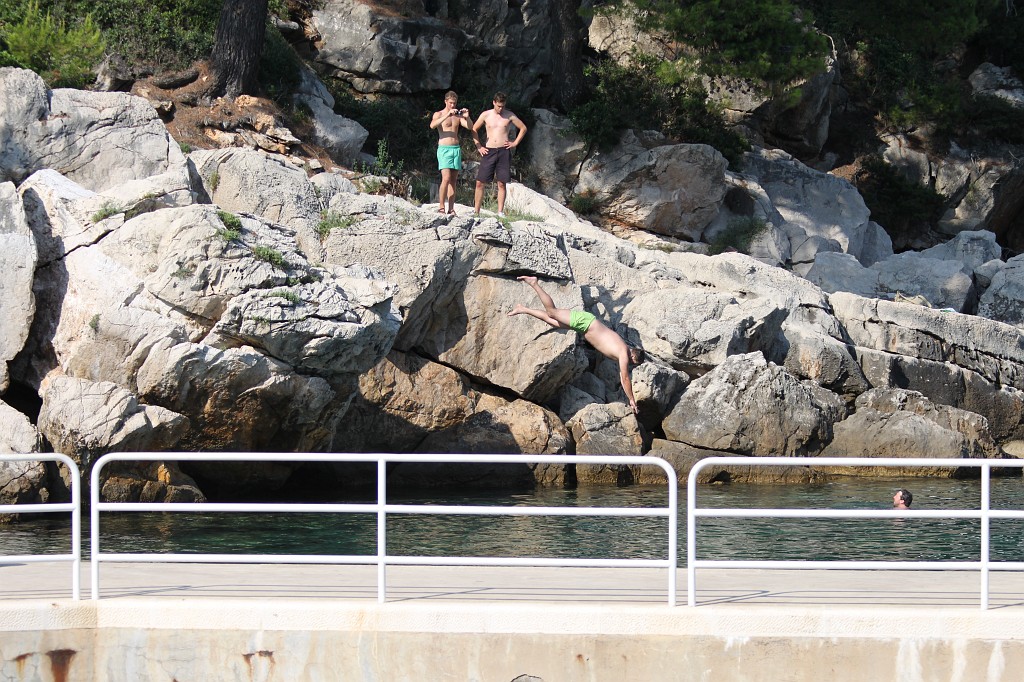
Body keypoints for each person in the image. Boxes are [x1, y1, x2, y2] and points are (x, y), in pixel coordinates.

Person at [508, 275, 643, 414]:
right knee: (552, 312)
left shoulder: (622, 348)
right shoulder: (623, 353)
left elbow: (622, 376)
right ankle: (534, 283)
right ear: (633, 357)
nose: (631, 365)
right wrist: (632, 399)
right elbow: (625, 378)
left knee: (551, 321)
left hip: (584, 326)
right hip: (585, 323)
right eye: (633, 363)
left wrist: (629, 396)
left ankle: (522, 309)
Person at [471, 92, 527, 219]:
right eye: (498, 106)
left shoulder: (509, 115)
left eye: (503, 106)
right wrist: (479, 146)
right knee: (480, 182)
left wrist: (515, 142)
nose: (500, 108)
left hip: (503, 150)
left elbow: (523, 128)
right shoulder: (486, 114)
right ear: (494, 103)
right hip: (489, 150)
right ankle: (476, 212)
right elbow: (474, 129)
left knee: (502, 183)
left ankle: (500, 212)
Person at [429, 91, 470, 215]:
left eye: (454, 103)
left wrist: (467, 117)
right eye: (450, 103)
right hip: (444, 149)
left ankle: (451, 208)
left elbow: (469, 127)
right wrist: (447, 115)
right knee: (446, 178)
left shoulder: (457, 116)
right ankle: (441, 207)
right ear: (445, 101)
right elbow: (432, 125)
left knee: (453, 180)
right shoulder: (439, 114)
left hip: (455, 149)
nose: (453, 105)